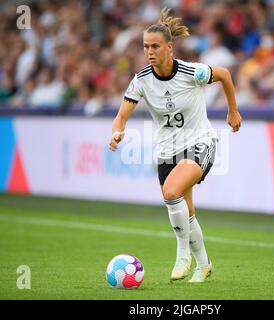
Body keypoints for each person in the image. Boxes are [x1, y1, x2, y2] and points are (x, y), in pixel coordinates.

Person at [109, 8, 241, 283]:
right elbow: (122, 114)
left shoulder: (193, 72)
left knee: (171, 192)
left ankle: (183, 255)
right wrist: (117, 132)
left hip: (199, 143)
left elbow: (226, 74)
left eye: (155, 46)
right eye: (146, 47)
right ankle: (204, 264)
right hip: (167, 151)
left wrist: (232, 112)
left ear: (169, 47)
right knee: (187, 211)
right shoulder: (141, 80)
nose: (149, 52)